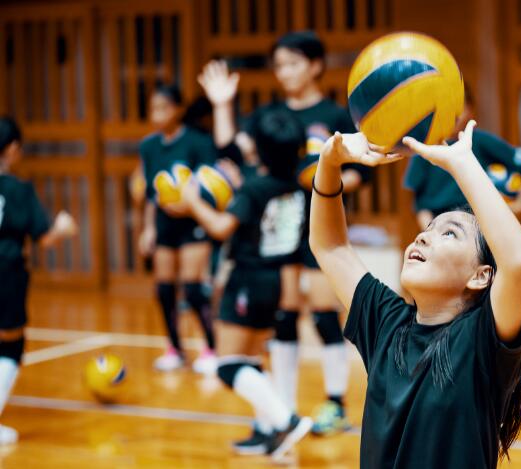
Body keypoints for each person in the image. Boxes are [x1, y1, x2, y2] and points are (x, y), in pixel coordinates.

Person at [310, 121, 521, 468]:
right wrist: (329, 162)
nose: (423, 237)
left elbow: (517, 262)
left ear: (481, 276)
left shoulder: (480, 340)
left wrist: (462, 164)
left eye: (450, 234)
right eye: (428, 228)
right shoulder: (386, 322)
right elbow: (329, 245)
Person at [198, 31, 370, 435]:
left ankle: (335, 403)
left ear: (315, 66)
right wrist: (222, 104)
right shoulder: (267, 115)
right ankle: (284, 409)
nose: (285, 72)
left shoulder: (334, 116)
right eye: (279, 64)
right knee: (283, 321)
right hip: (276, 238)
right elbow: (231, 151)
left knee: (326, 316)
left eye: (293, 62)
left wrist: (324, 181)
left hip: (319, 231)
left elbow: (358, 174)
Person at [182, 107, 313, 460]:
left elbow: (222, 228)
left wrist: (193, 202)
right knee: (252, 360)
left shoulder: (254, 189)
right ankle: (269, 432)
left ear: (259, 149)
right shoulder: (297, 188)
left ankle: (285, 419)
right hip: (273, 283)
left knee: (228, 366)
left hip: (247, 280)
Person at [0, 117, 78, 444]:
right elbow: (44, 237)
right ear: (14, 149)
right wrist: (63, 227)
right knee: (10, 345)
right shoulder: (17, 189)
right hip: (6, 274)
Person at [137, 84, 218, 374]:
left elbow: (210, 182)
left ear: (178, 110)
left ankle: (211, 348)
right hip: (164, 225)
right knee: (163, 289)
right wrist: (148, 229)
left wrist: (191, 205)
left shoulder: (198, 142)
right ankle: (175, 348)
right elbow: (150, 194)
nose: (157, 114)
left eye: (163, 107)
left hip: (194, 223)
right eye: (153, 108)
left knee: (194, 288)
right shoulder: (148, 146)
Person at [404, 86, 521, 229]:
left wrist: (520, 202)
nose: (452, 115)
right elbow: (419, 202)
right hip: (439, 223)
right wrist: (432, 231)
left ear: (471, 109)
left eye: (459, 108)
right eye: (444, 108)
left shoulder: (480, 141)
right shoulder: (425, 147)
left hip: (479, 223)